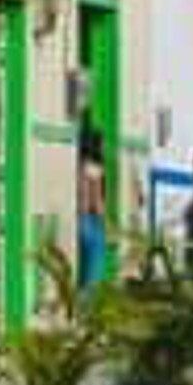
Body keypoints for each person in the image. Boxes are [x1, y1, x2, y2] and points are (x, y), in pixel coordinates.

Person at [77, 120, 111, 288]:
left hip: (78, 219)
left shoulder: (78, 164)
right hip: (91, 221)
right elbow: (96, 200)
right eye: (103, 143)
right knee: (94, 272)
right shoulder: (94, 168)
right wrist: (107, 226)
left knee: (81, 269)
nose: (105, 147)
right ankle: (88, 306)